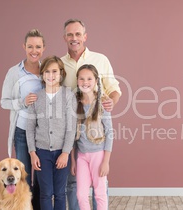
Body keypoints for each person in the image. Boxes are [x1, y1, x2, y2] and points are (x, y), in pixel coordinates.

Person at [61, 18, 122, 210]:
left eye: (78, 34)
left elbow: (114, 89)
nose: (74, 38)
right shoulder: (60, 64)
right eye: (70, 34)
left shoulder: (100, 59)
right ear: (65, 38)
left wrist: (110, 102)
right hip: (74, 138)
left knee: (99, 189)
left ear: (85, 36)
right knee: (74, 187)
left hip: (96, 141)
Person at [0, 29, 45, 210]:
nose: (34, 50)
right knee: (23, 176)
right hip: (21, 131)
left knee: (41, 177)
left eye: (38, 47)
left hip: (43, 132)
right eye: (30, 46)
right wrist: (22, 102)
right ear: (24, 47)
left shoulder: (48, 70)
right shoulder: (14, 72)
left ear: (44, 48)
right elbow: (3, 102)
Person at [26, 56, 77, 210]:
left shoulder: (68, 95)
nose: (51, 75)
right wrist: (33, 153)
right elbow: (30, 127)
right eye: (47, 71)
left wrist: (65, 153)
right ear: (42, 74)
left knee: (60, 193)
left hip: (62, 153)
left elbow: (71, 127)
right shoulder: (36, 97)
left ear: (61, 73)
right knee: (45, 193)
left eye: (54, 71)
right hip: (42, 153)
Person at [71, 64, 113, 210]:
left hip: (98, 155)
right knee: (81, 195)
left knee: (99, 193)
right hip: (81, 155)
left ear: (96, 81)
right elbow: (72, 136)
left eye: (89, 79)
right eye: (81, 79)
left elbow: (109, 133)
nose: (85, 82)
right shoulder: (74, 103)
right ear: (77, 81)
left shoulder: (102, 103)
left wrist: (106, 162)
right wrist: (73, 160)